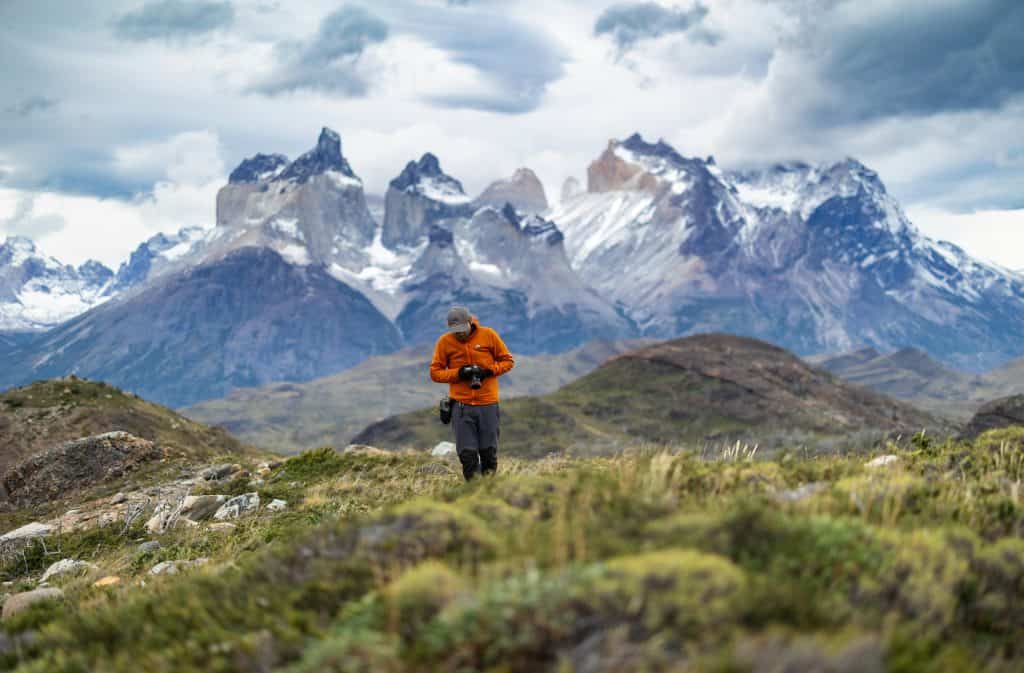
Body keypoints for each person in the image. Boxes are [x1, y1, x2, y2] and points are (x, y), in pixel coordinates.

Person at [430, 306, 515, 480]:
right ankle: (473, 495)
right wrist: (459, 374)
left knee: (489, 455)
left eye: (462, 329)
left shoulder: (488, 335)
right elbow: (435, 373)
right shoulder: (444, 342)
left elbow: (508, 361)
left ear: (470, 322)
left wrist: (488, 372)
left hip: (488, 404)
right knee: (467, 457)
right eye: (455, 331)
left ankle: (488, 494)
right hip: (461, 407)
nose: (459, 334)